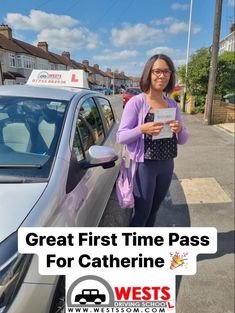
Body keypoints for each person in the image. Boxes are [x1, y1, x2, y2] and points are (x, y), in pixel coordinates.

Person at [116, 54, 189, 227]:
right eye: (157, 71)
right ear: (149, 73)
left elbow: (183, 140)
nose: (162, 76)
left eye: (166, 71)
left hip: (166, 164)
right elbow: (121, 136)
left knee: (154, 210)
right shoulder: (137, 102)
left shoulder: (172, 104)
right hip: (145, 166)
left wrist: (180, 130)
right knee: (142, 213)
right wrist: (142, 129)